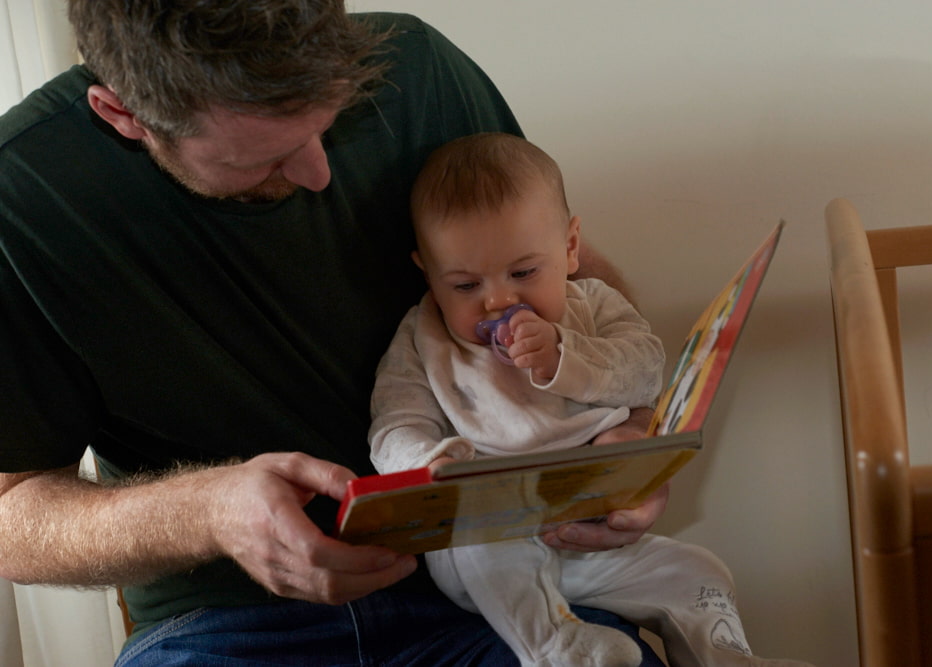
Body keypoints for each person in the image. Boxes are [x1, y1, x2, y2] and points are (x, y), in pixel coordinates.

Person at [0, 3, 673, 665]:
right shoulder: (22, 197)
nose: (319, 171)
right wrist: (211, 511)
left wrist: (630, 440)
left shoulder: (419, 71)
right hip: (225, 625)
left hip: (486, 586)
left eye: (331, 118)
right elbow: (11, 520)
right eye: (266, 157)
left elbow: (582, 288)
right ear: (124, 116)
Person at [369, 133, 811, 667]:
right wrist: (433, 464)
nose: (498, 300)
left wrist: (564, 356)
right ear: (428, 272)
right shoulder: (422, 339)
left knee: (699, 572)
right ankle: (556, 649)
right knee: (479, 547)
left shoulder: (594, 306)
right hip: (492, 543)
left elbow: (645, 370)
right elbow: (393, 427)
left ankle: (724, 658)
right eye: (464, 285)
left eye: (524, 273)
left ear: (571, 247)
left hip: (588, 537)